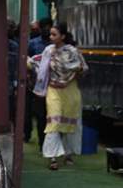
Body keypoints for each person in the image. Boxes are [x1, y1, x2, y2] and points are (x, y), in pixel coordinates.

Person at [30, 23, 88, 170]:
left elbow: (83, 68)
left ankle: (68, 154)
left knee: (70, 123)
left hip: (70, 90)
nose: (50, 37)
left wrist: (76, 69)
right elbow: (40, 66)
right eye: (50, 34)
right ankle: (53, 157)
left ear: (62, 36)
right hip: (53, 90)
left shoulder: (72, 51)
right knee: (53, 122)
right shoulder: (48, 51)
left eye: (54, 34)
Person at [25, 18, 53, 148]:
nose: (47, 30)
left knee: (52, 115)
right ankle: (43, 143)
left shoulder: (56, 45)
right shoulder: (33, 44)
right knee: (41, 115)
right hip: (37, 86)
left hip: (54, 86)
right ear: (40, 29)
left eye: (49, 27)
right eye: (45, 27)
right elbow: (26, 61)